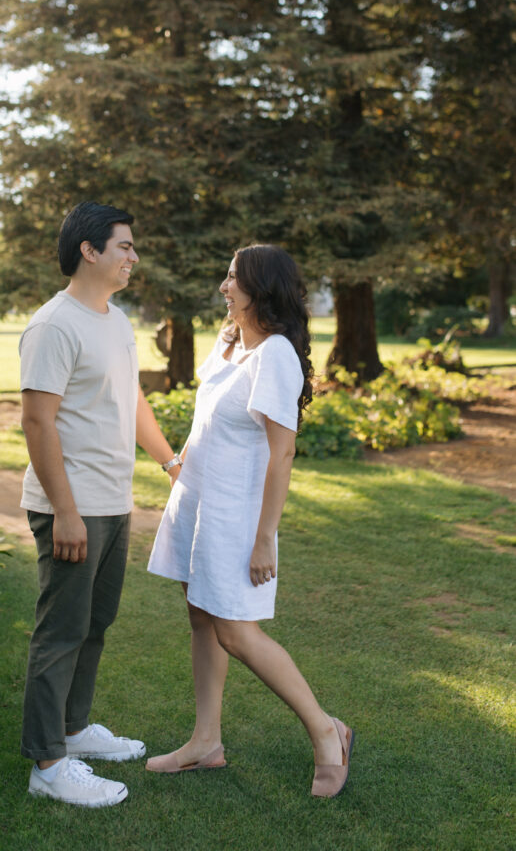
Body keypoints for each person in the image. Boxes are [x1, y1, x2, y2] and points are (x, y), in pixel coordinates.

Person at [146, 244, 354, 798]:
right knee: (200, 617)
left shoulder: (277, 356)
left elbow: (281, 452)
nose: (223, 287)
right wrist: (179, 467)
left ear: (261, 288)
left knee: (236, 632)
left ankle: (327, 732)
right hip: (197, 503)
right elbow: (206, 413)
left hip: (237, 516)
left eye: (233, 278)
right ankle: (205, 743)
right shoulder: (233, 341)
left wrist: (265, 538)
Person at [19, 200, 183, 808]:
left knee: (95, 624)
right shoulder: (53, 325)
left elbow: (131, 397)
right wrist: (63, 510)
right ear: (89, 250)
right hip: (73, 504)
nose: (134, 257)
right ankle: (46, 764)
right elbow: (38, 422)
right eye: (125, 247)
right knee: (60, 631)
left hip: (114, 500)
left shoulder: (114, 321)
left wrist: (168, 461)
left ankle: (72, 728)